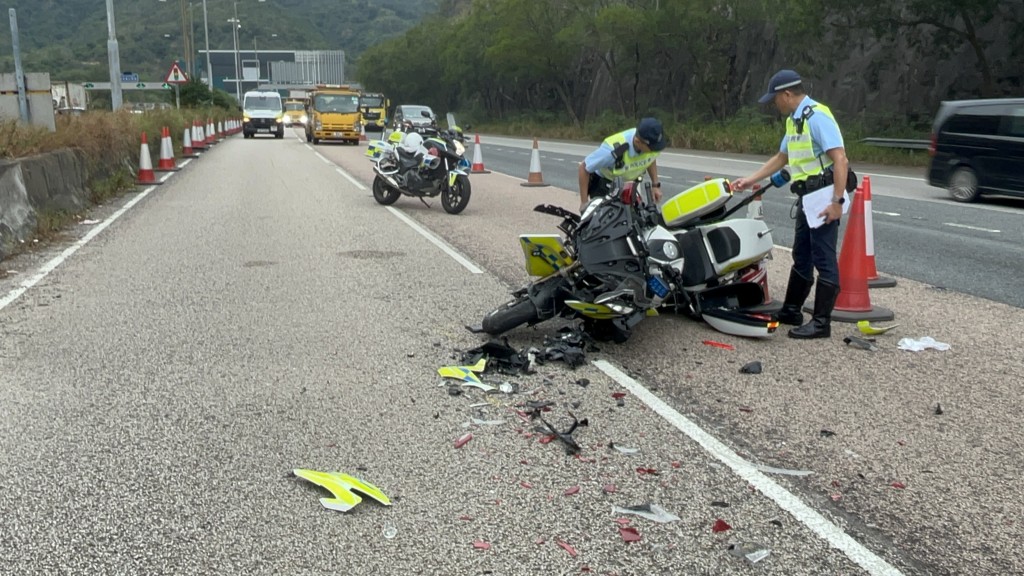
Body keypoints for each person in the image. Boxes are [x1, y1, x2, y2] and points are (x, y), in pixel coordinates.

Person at [731, 69, 851, 340]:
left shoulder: (817, 116)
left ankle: (821, 323)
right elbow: (782, 157)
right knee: (802, 254)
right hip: (807, 198)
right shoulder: (794, 121)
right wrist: (751, 180)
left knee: (824, 258)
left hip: (824, 197)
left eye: (775, 99)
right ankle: (792, 310)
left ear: (787, 94)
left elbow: (840, 160)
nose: (774, 104)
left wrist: (837, 202)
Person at [578, 117, 667, 209]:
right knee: (606, 219)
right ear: (638, 142)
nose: (655, 151)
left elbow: (651, 158)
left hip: (629, 185)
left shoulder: (652, 144)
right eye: (653, 148)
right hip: (605, 185)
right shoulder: (612, 149)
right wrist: (584, 203)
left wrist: (655, 185)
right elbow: (584, 167)